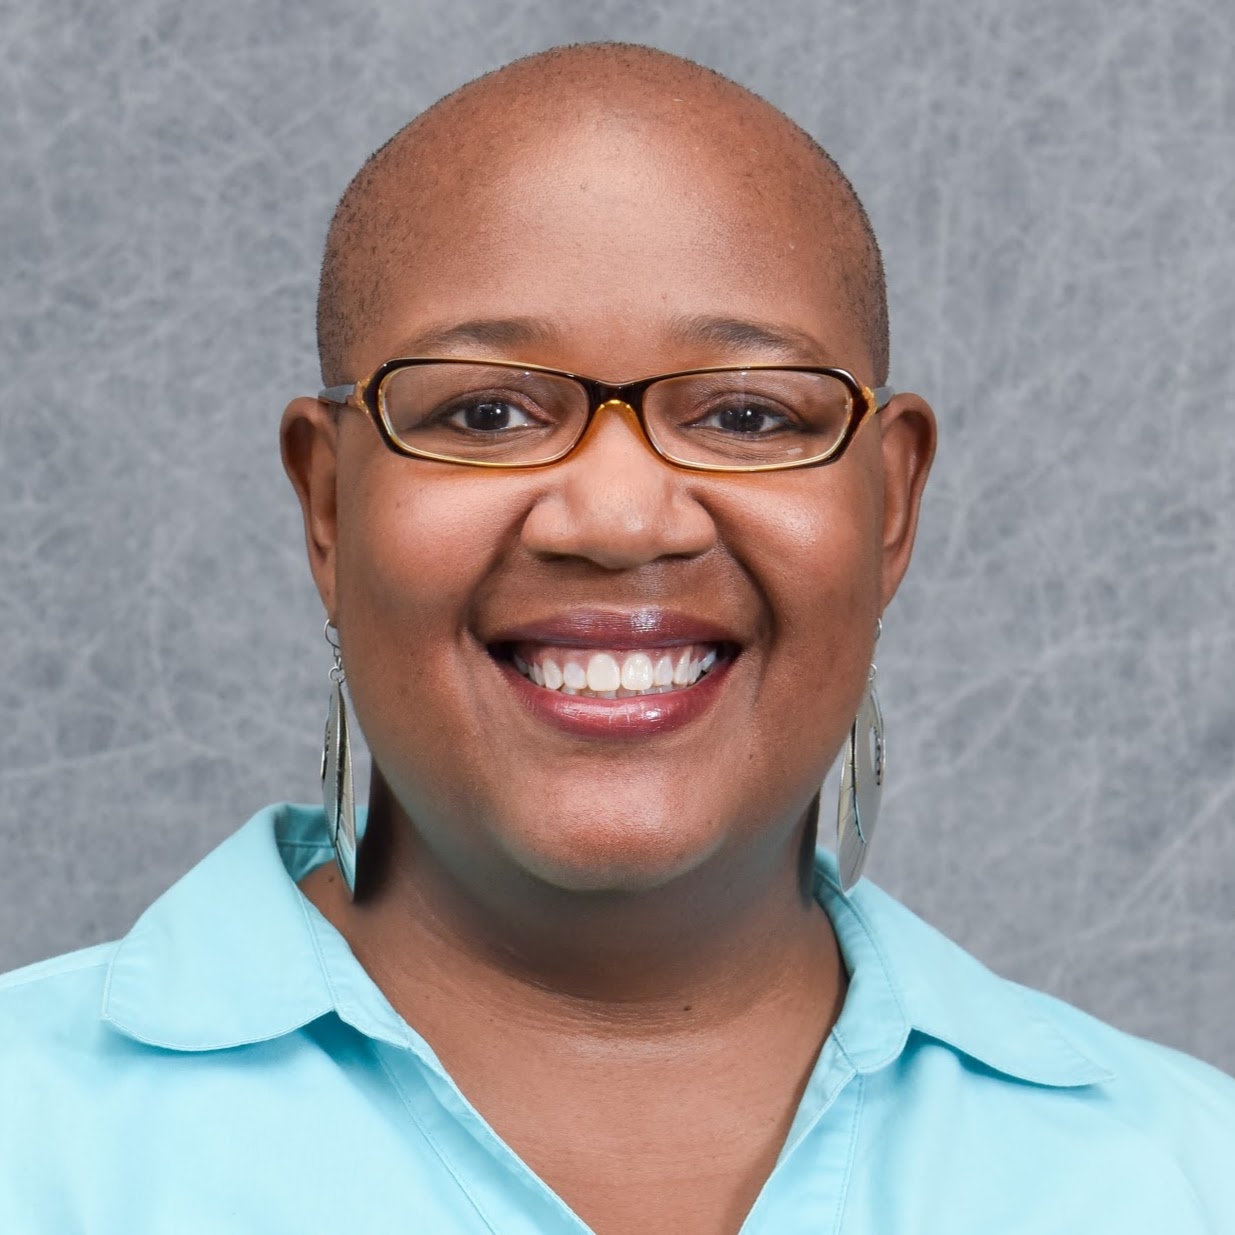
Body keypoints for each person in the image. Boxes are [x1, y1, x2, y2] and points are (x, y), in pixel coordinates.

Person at [1, 41, 1232, 1235]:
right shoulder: (32, 1140)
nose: (616, 516)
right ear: (328, 504)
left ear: (889, 504)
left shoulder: (1182, 1177)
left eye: (747, 414)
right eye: (484, 411)